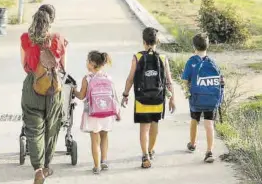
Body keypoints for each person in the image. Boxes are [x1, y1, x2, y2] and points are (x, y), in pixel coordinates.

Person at [20, 4, 68, 184]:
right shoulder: (58, 39)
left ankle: (38, 169)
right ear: (51, 21)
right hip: (53, 89)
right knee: (52, 127)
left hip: (32, 87)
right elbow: (63, 67)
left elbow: (24, 65)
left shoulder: (25, 38)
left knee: (34, 130)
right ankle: (47, 166)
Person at [121, 27, 176, 169]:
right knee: (154, 125)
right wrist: (172, 98)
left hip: (142, 100)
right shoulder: (163, 58)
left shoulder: (137, 57)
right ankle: (151, 150)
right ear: (157, 41)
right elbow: (169, 80)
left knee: (144, 128)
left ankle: (145, 155)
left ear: (143, 42)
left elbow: (130, 79)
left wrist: (125, 95)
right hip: (158, 99)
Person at [73, 51, 119, 174]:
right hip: (107, 112)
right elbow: (114, 96)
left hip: (93, 113)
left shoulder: (87, 78)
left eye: (88, 61)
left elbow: (82, 96)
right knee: (104, 136)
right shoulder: (108, 77)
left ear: (92, 64)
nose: (86, 63)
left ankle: (97, 165)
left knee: (95, 138)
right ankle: (104, 161)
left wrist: (74, 91)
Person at [181, 34, 224, 163]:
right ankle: (209, 151)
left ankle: (193, 144)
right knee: (209, 123)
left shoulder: (191, 61)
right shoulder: (212, 62)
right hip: (211, 99)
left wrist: (187, 92)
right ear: (208, 46)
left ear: (194, 46)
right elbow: (220, 81)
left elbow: (184, 80)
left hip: (196, 98)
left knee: (194, 120)